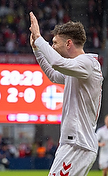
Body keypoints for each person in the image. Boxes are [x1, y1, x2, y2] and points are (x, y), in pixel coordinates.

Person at [29, 12, 103, 176]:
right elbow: (54, 75)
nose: (53, 46)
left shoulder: (87, 63)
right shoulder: (77, 67)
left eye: (55, 43)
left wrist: (39, 38)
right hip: (75, 143)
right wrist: (37, 50)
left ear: (69, 43)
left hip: (78, 143)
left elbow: (56, 63)